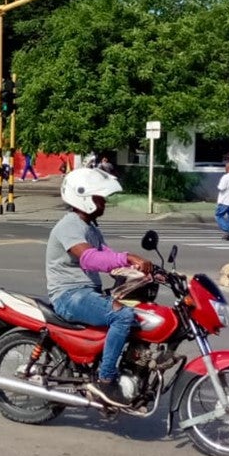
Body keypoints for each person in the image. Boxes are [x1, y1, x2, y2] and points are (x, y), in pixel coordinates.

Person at [46, 167, 154, 407]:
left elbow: (107, 256)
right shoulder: (69, 226)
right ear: (83, 198)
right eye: (99, 198)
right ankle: (105, 381)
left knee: (142, 313)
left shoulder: (90, 228)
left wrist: (147, 271)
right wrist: (128, 257)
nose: (104, 202)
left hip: (86, 292)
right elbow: (90, 259)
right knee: (123, 316)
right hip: (69, 295)